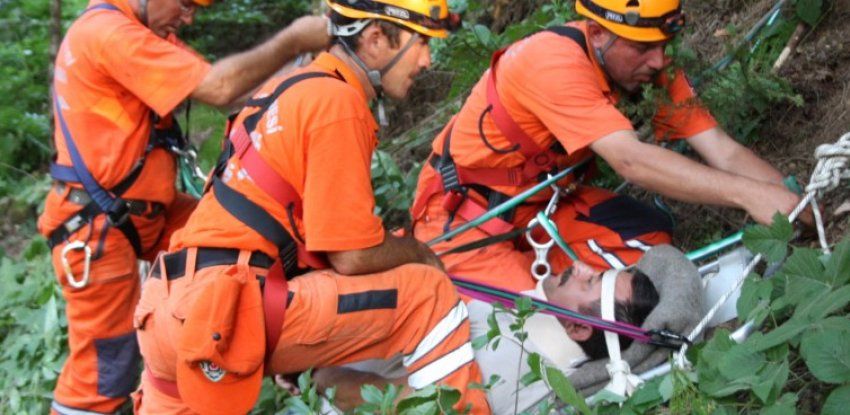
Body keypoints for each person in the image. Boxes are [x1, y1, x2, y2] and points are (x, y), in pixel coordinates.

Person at [133, 0, 490, 413]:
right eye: (421, 42)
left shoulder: (284, 89)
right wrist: (420, 252)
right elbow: (353, 255)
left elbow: (303, 235)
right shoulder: (335, 102)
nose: (427, 60)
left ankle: (344, 388)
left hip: (168, 309)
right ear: (375, 39)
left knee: (328, 357)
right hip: (229, 306)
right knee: (427, 292)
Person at [41, 0, 331, 412]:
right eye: (186, 3)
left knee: (240, 244)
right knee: (103, 376)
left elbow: (234, 90)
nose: (189, 17)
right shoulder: (109, 34)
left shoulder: (141, 34)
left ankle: (277, 343)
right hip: (99, 230)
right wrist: (294, 40)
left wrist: (305, 68)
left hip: (143, 214)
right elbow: (219, 88)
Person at [409, 0, 806, 293]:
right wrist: (746, 195)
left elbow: (721, 148)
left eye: (664, 45)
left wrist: (797, 207)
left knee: (651, 242)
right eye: (643, 48)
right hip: (464, 224)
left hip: (540, 211)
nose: (658, 60)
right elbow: (631, 160)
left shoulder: (643, 59)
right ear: (597, 32)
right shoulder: (551, 63)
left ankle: (541, 271)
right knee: (549, 329)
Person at [311, 245, 701, 414]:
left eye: (589, 282)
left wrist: (318, 374)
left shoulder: (508, 360)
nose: (580, 267)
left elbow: (384, 404)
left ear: (579, 329)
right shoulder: (529, 334)